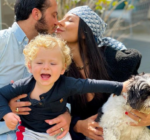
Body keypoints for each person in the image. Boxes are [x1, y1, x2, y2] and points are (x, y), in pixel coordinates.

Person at [0, 34, 129, 140]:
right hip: (30, 133)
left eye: (52, 63)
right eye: (39, 62)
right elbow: (1, 94)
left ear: (62, 69)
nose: (46, 67)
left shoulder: (66, 84)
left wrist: (120, 87)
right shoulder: (24, 85)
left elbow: (91, 84)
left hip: (59, 135)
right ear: (30, 66)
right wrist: (7, 114)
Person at [54, 5, 147, 140]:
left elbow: (143, 95)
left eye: (69, 20)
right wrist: (78, 126)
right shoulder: (58, 70)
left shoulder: (115, 62)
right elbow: (56, 110)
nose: (59, 22)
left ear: (84, 32)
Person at [0, 0, 70, 139]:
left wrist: (66, 114)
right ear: (36, 14)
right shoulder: (2, 43)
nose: (57, 22)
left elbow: (61, 90)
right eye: (53, 15)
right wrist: (4, 109)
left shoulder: (52, 50)